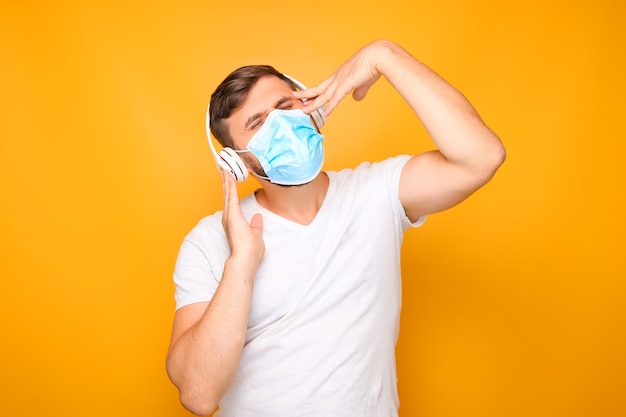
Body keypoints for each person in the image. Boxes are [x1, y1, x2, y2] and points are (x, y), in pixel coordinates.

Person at [166, 39, 505, 416]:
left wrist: (384, 56)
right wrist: (241, 264)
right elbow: (197, 394)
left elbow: (482, 157)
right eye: (257, 123)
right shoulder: (208, 241)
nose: (280, 124)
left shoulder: (377, 191)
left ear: (312, 109)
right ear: (236, 161)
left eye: (285, 106)